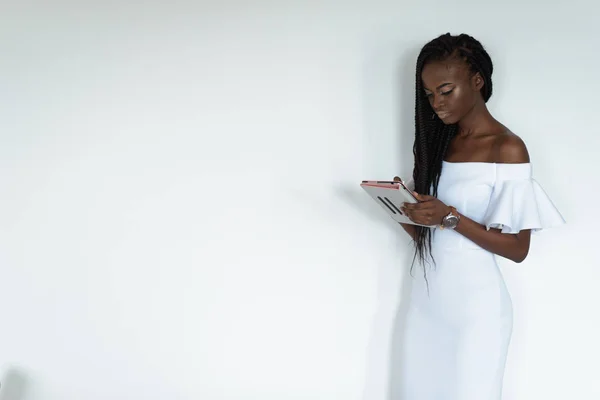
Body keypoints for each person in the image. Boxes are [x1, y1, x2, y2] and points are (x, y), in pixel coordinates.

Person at [393, 33, 565, 400]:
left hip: (477, 312)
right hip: (424, 306)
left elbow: (518, 249)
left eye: (445, 90)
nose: (437, 103)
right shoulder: (439, 143)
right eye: (429, 94)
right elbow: (430, 237)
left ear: (477, 81)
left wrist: (449, 217)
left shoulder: (508, 147)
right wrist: (403, 209)